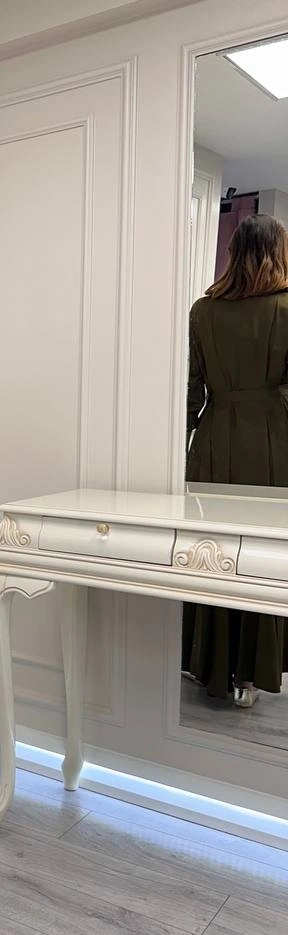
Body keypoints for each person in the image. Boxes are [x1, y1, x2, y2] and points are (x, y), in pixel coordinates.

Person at [184, 213, 288, 705]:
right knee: (263, 558)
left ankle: (210, 665)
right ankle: (250, 675)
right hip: (274, 442)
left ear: (233, 253)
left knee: (211, 553)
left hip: (214, 440)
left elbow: (189, 393)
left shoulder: (203, 311)